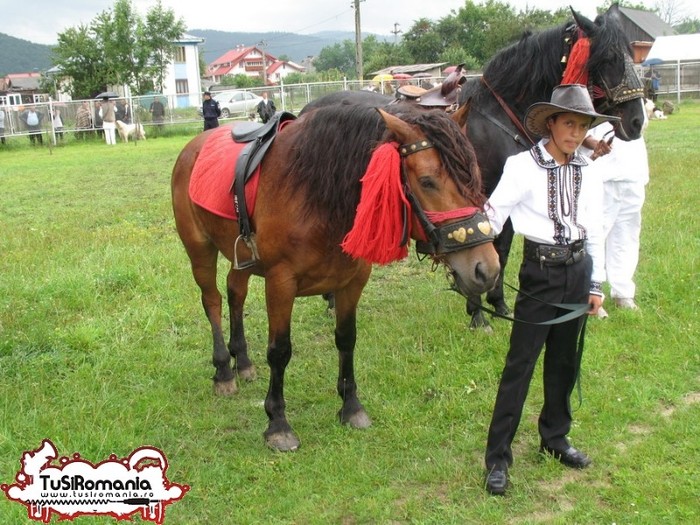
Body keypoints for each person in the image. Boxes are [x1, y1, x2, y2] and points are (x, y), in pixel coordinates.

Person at [482, 84, 619, 496]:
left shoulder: (587, 170)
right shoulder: (521, 167)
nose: (575, 134)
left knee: (564, 361)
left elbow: (593, 226)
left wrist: (595, 284)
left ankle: (555, 438)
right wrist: (466, 239)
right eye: (569, 124)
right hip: (540, 272)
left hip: (578, 271)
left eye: (582, 126)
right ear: (551, 124)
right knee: (520, 365)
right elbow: (494, 216)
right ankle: (497, 458)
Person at [582, 119, 649, 313]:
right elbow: (579, 125)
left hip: (633, 172)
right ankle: (592, 294)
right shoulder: (591, 89)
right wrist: (595, 144)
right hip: (602, 173)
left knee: (627, 235)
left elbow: (638, 123)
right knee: (595, 234)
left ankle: (623, 292)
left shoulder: (636, 90)